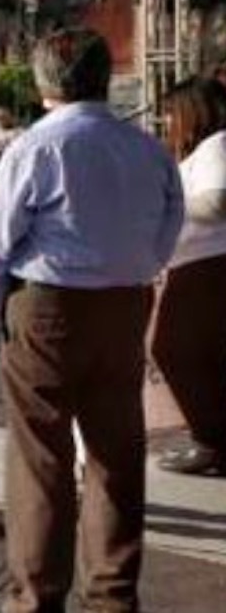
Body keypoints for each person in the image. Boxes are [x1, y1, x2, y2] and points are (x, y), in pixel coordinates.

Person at [0, 28, 184, 613]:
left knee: (42, 458)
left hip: (47, 305)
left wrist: (4, 298)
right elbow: (171, 222)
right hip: (125, 304)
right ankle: (113, 596)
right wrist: (138, 271)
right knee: (117, 449)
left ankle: (37, 600)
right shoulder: (147, 148)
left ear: (44, 84)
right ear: (105, 78)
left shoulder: (35, 147)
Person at [151, 77, 226, 476]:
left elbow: (216, 201)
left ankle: (212, 440)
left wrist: (163, 210)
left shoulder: (216, 146)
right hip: (200, 265)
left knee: (173, 350)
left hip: (206, 266)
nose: (165, 120)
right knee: (202, 357)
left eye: (170, 111)